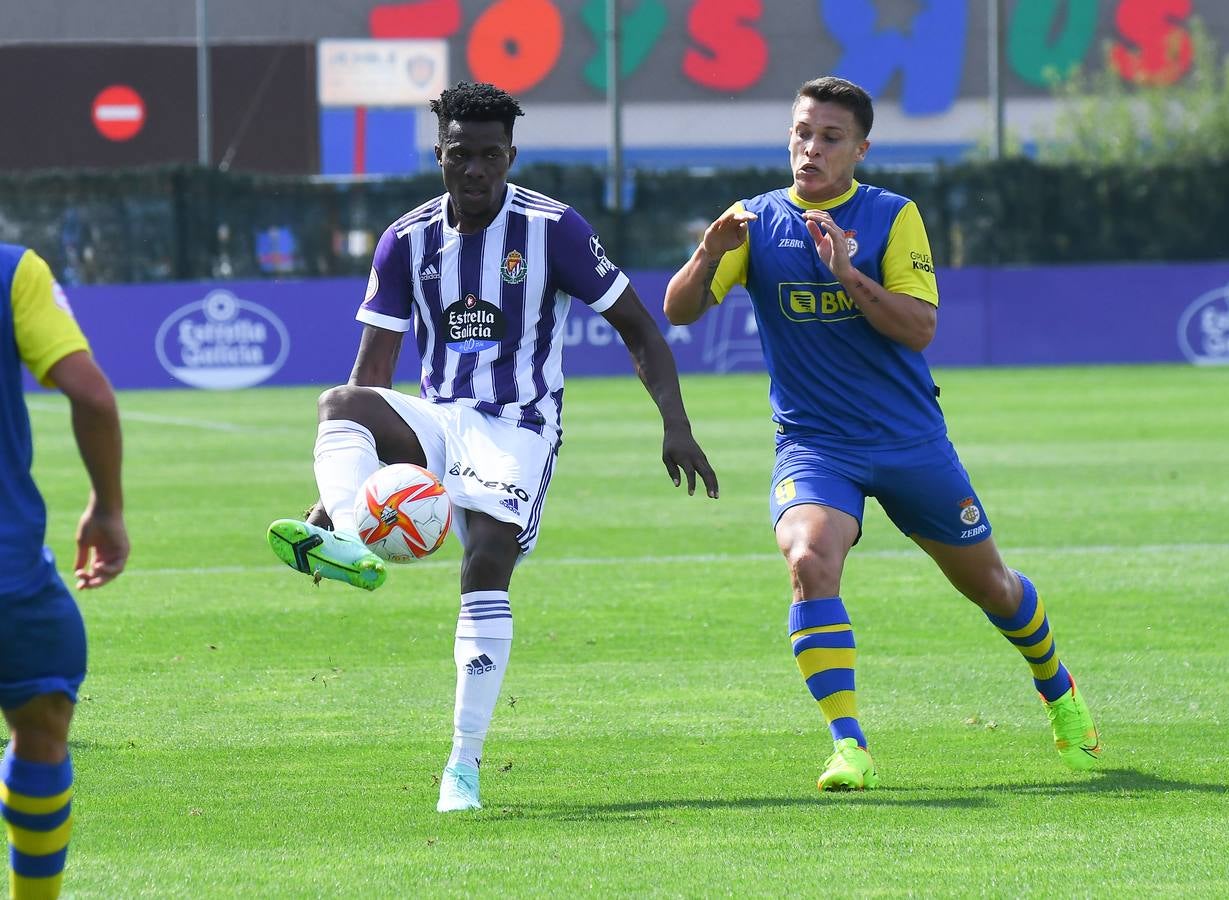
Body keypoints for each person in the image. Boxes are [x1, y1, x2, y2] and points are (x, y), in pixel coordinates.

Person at [265, 82, 718, 813]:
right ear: (439, 156)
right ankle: (352, 539)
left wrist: (675, 421)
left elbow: (637, 324)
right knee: (340, 405)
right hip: (440, 417)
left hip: (520, 426)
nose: (473, 171)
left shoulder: (554, 229)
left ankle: (462, 766)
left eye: (487, 156)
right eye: (457, 156)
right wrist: (335, 494)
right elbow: (375, 368)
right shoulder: (406, 239)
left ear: (510, 155)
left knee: (484, 560)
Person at [663, 76, 1101, 791]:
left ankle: (1060, 692)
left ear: (859, 149)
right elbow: (679, 311)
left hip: (908, 443)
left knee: (990, 585)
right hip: (815, 446)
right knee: (808, 558)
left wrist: (845, 273)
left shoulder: (893, 217)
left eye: (830, 137)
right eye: (803, 132)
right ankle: (849, 745)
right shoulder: (755, 222)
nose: (811, 148)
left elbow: (919, 325)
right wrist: (710, 252)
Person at [0, 244, 129, 898]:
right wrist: (107, 508)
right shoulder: (12, 271)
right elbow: (94, 397)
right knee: (43, 718)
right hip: (8, 578)